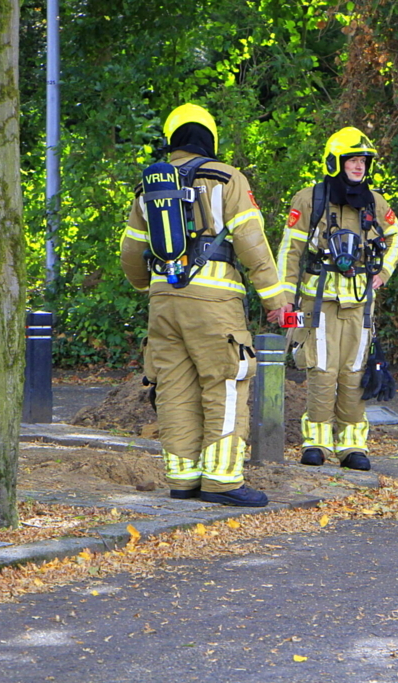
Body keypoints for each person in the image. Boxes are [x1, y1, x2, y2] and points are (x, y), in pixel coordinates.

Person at [120, 103, 288, 506]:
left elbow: (130, 253)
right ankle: (223, 481)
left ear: (172, 139)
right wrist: (275, 299)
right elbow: (252, 244)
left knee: (174, 386)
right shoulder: (226, 178)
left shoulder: (148, 187)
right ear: (209, 137)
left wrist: (149, 286)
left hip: (163, 302)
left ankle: (183, 480)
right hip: (214, 302)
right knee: (225, 382)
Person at [272, 127, 398, 470]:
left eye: (363, 161)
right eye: (352, 160)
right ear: (335, 162)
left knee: (354, 373)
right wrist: (284, 297)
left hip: (360, 304)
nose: (359, 166)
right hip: (318, 303)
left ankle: (352, 446)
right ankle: (316, 443)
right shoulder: (310, 199)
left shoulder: (374, 202)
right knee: (321, 371)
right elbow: (290, 250)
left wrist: (383, 272)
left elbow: (397, 235)